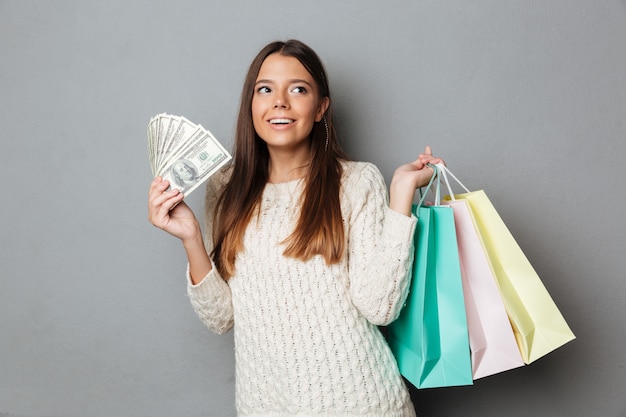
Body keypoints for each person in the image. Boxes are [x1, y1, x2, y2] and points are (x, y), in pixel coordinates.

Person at [148, 39, 443, 417]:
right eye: (265, 89)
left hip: (362, 404)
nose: (280, 102)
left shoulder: (355, 182)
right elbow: (220, 317)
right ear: (251, 104)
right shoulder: (226, 188)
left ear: (321, 107)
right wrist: (190, 236)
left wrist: (401, 194)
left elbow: (380, 307)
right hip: (266, 407)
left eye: (298, 89)